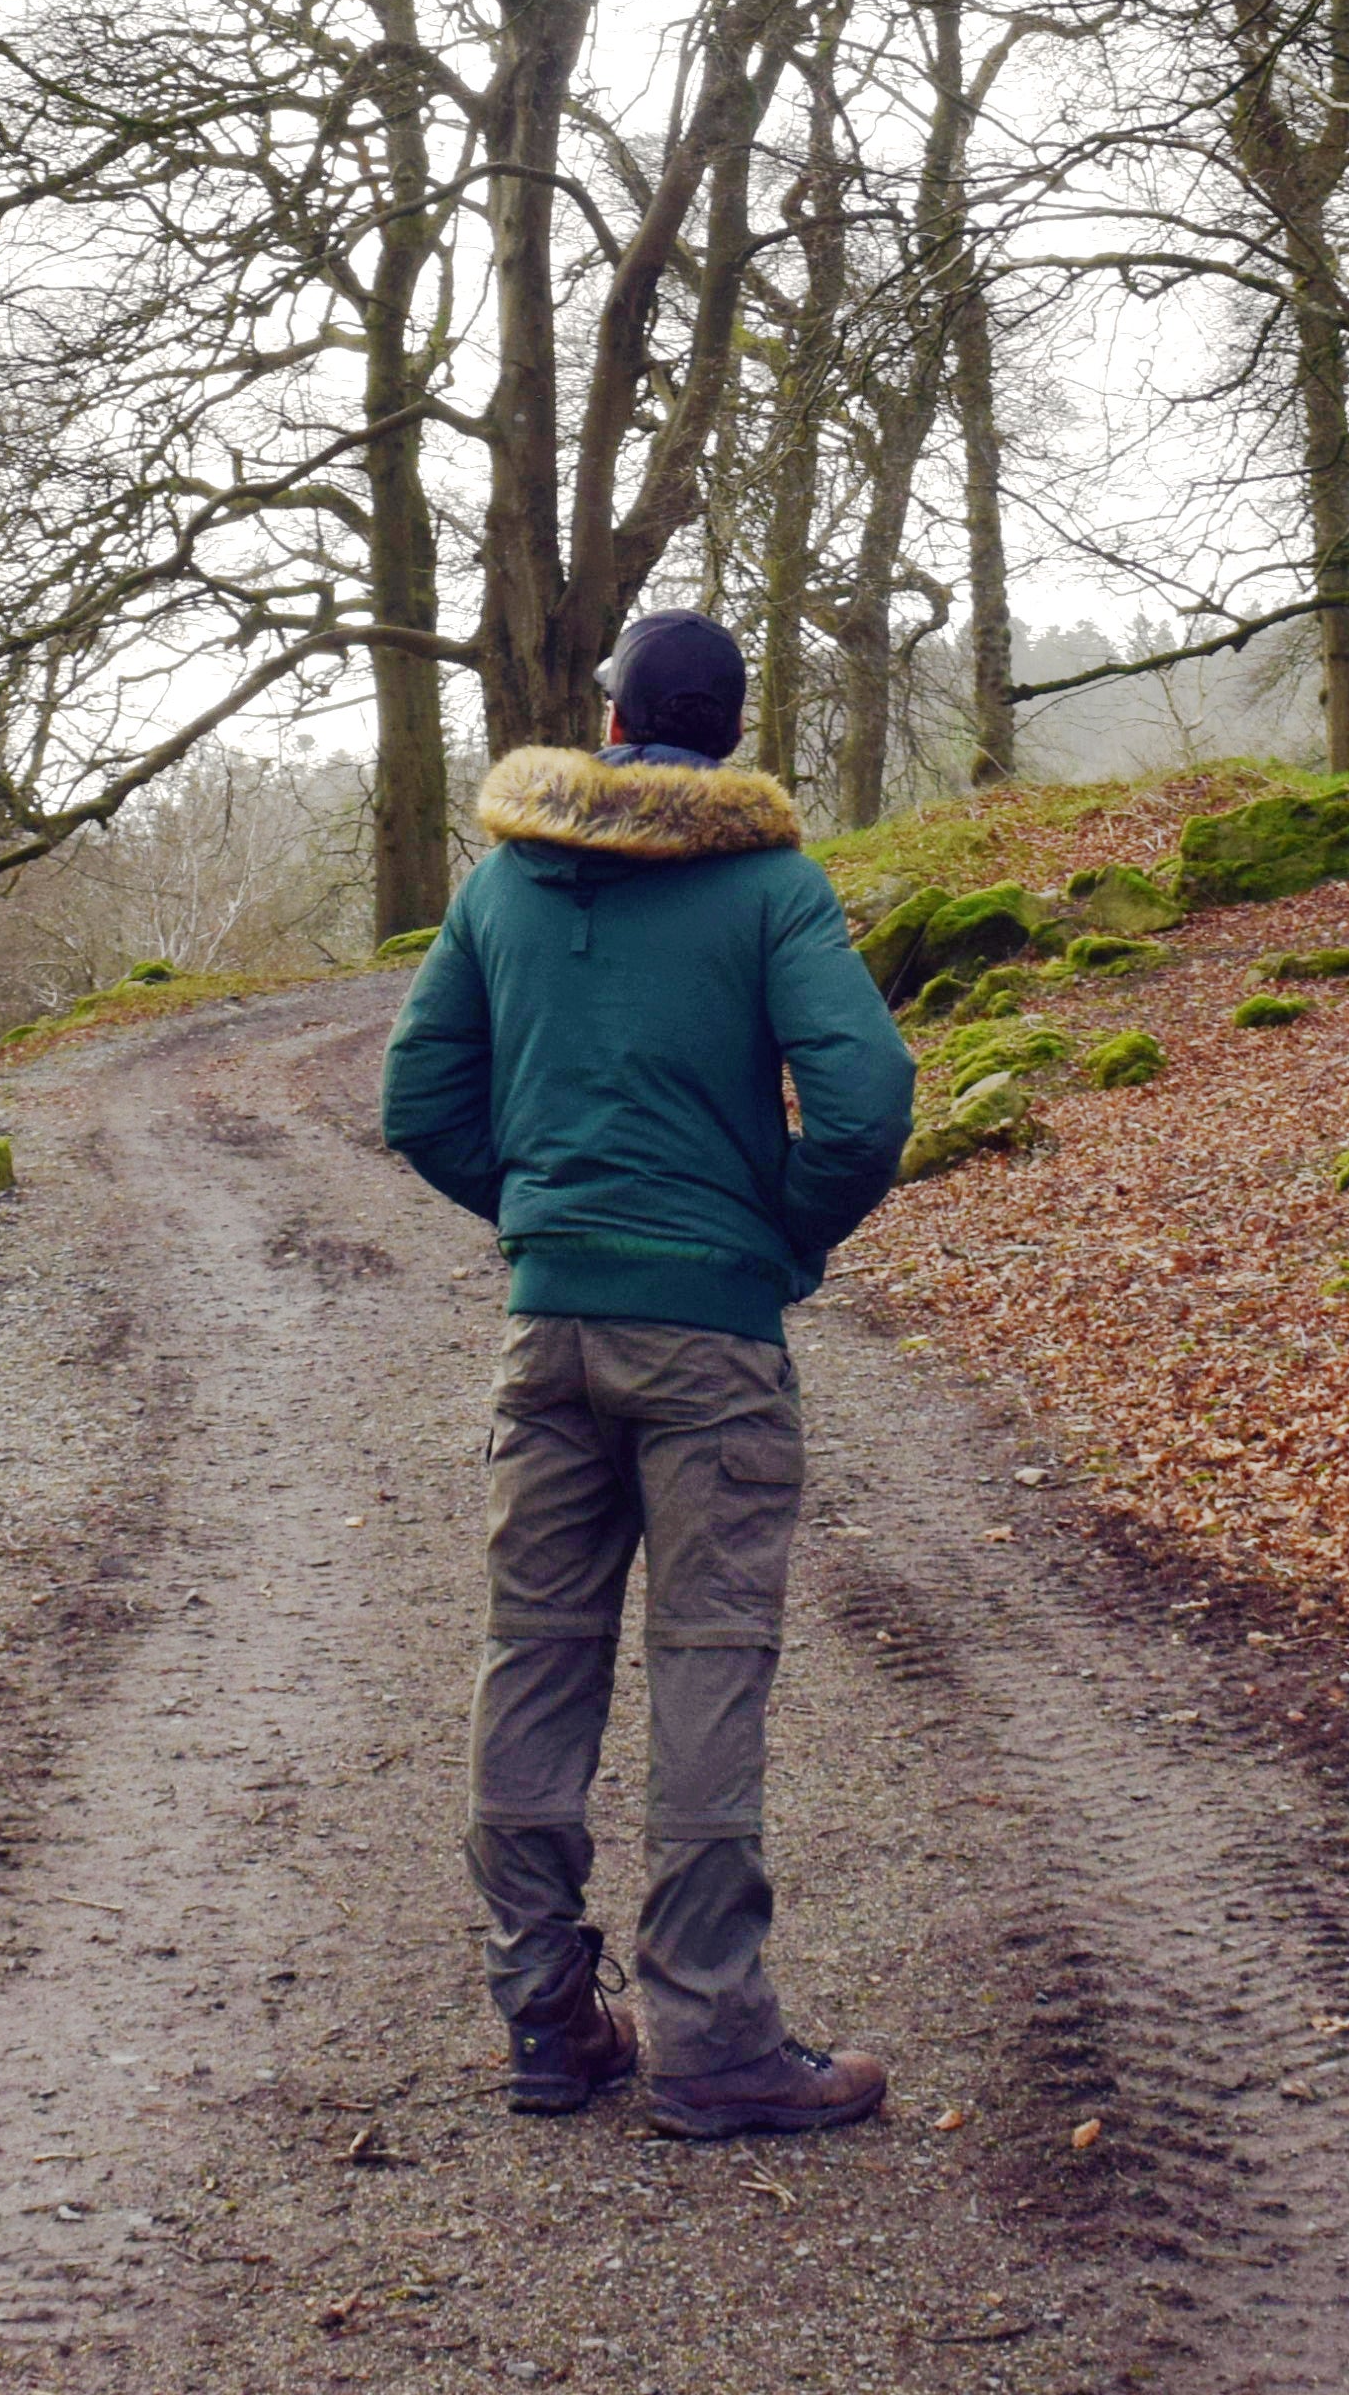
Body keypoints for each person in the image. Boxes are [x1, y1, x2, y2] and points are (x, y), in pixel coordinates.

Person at [377, 608, 917, 2135]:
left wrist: (550, 1218)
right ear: (727, 736)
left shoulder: (503, 884)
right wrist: (770, 1239)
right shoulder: (770, 884)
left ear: (613, 722)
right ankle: (713, 2044)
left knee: (535, 1655)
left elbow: (420, 1100)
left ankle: (547, 2023)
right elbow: (868, 1103)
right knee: (705, 1668)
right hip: (713, 1347)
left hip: (548, 1339)